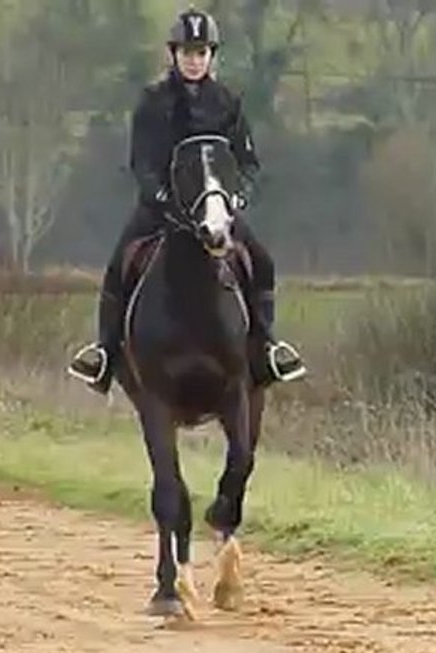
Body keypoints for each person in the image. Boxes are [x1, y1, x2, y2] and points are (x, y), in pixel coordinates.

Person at [67, 7, 306, 395]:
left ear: (212, 56)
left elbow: (247, 162)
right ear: (173, 55)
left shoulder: (228, 101)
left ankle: (266, 346)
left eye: (201, 53)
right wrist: (159, 196)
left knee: (261, 261)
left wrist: (237, 197)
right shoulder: (153, 101)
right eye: (186, 53)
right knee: (118, 264)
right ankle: (105, 353)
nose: (194, 61)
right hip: (163, 209)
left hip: (215, 209)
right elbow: (141, 161)